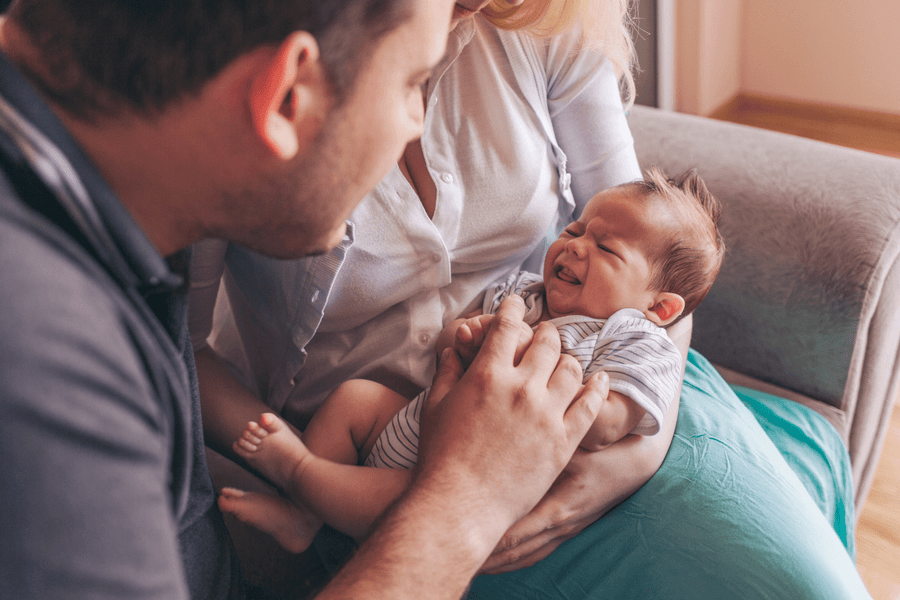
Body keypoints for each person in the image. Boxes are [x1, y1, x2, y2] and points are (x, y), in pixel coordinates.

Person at [0, 1, 610, 599]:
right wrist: (468, 498)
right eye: (414, 84)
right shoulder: (41, 362)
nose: (418, 124)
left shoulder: (101, 201)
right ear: (287, 94)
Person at [189, 0, 686, 578]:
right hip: (360, 437)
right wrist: (297, 471)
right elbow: (177, 343)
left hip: (547, 430)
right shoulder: (250, 56)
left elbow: (655, 285)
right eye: (575, 233)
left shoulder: (544, 20)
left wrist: (620, 466)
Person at [214, 167, 725, 552]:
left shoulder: (632, 335)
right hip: (418, 420)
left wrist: (551, 380)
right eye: (573, 232)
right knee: (356, 398)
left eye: (606, 248)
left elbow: (614, 421)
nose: (574, 248)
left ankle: (303, 473)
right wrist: (467, 336)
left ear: (659, 307)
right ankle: (301, 517)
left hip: (472, 467)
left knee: (409, 504)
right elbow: (448, 345)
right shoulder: (524, 294)